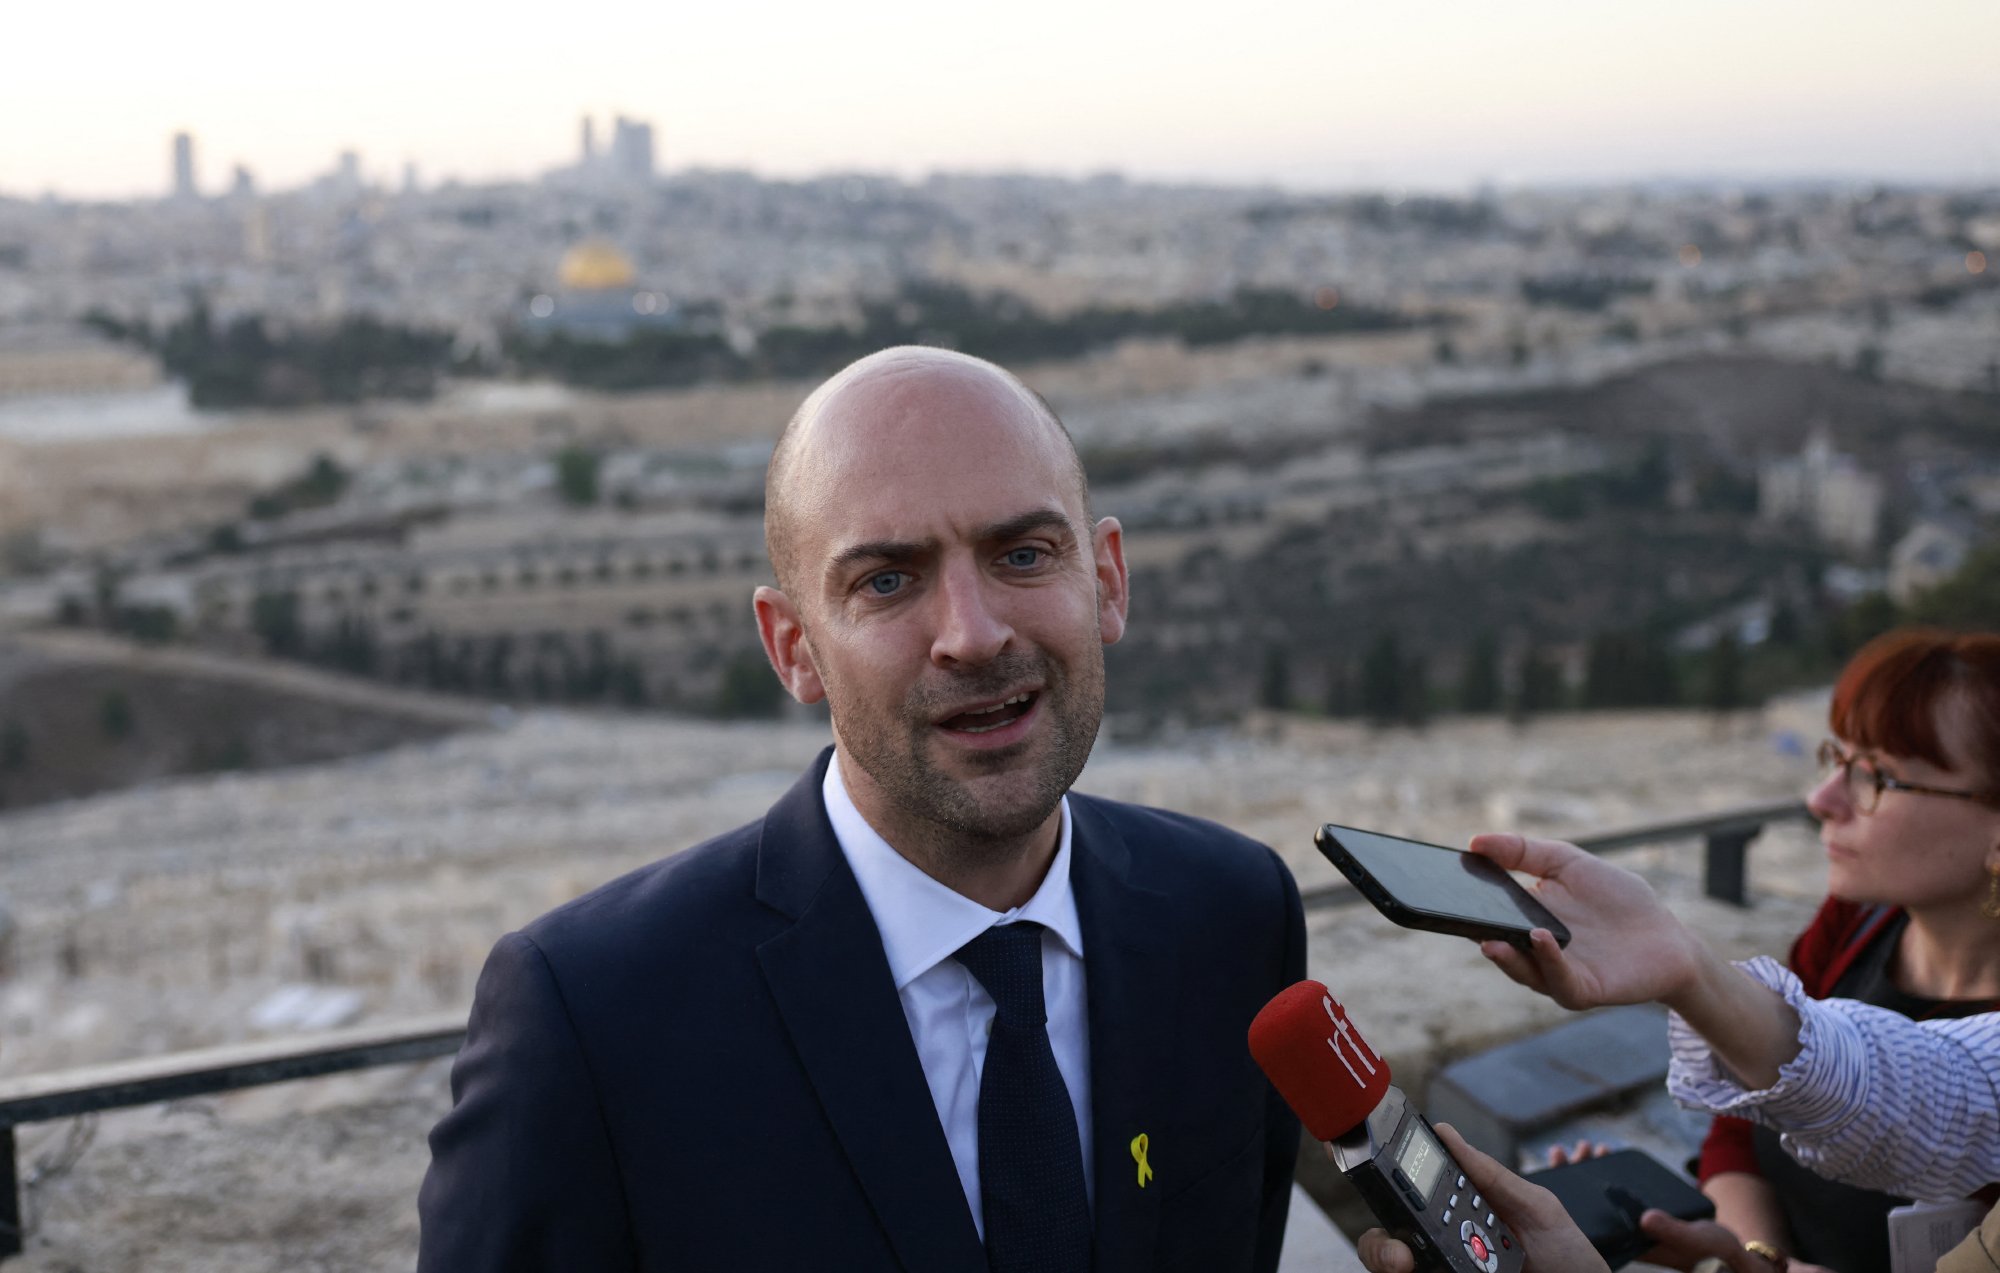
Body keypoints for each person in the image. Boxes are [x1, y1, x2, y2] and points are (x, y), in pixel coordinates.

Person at [416, 346, 1307, 1272]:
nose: (973, 634)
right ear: (794, 647)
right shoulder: (592, 1022)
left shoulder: (1233, 914)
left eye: (1024, 554)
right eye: (887, 580)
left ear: (1108, 579)